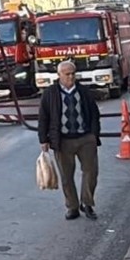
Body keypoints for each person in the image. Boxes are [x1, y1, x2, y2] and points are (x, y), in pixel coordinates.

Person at [37, 60, 102, 220]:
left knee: (91, 172)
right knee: (66, 176)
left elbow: (94, 113)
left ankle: (87, 203)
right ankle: (72, 206)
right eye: (67, 74)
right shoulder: (50, 93)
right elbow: (43, 117)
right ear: (59, 75)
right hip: (63, 140)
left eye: (73, 74)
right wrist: (43, 139)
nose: (71, 77)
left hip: (85, 138)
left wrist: (94, 134)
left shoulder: (83, 91)